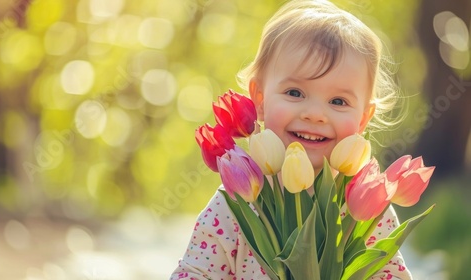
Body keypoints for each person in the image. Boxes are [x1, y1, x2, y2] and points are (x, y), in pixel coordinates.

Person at [171, 0, 412, 279]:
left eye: (338, 101)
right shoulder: (238, 202)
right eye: (295, 93)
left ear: (363, 118)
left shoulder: (365, 201)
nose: (314, 114)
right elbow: (195, 273)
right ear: (259, 99)